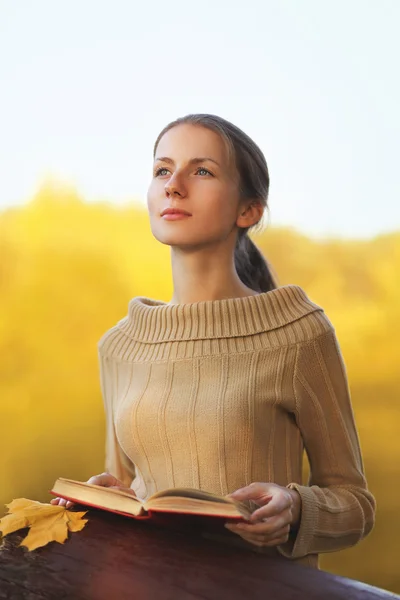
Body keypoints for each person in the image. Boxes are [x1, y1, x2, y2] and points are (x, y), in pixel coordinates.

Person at [51, 113, 376, 569]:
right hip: (150, 586)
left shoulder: (299, 332)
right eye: (162, 170)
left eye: (201, 171)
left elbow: (355, 503)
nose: (174, 185)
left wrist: (296, 507)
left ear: (248, 210)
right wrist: (105, 500)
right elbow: (128, 489)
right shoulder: (121, 344)